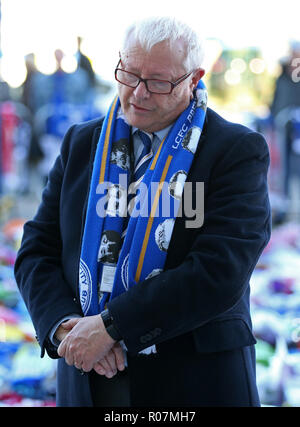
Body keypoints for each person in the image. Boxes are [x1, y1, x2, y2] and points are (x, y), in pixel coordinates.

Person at [14, 17, 271, 407]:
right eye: (128, 74)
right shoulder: (83, 143)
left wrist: (112, 327)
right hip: (89, 379)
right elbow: (37, 248)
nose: (138, 93)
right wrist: (66, 327)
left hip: (193, 379)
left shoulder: (233, 150)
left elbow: (221, 269)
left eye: (158, 82)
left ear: (193, 78)